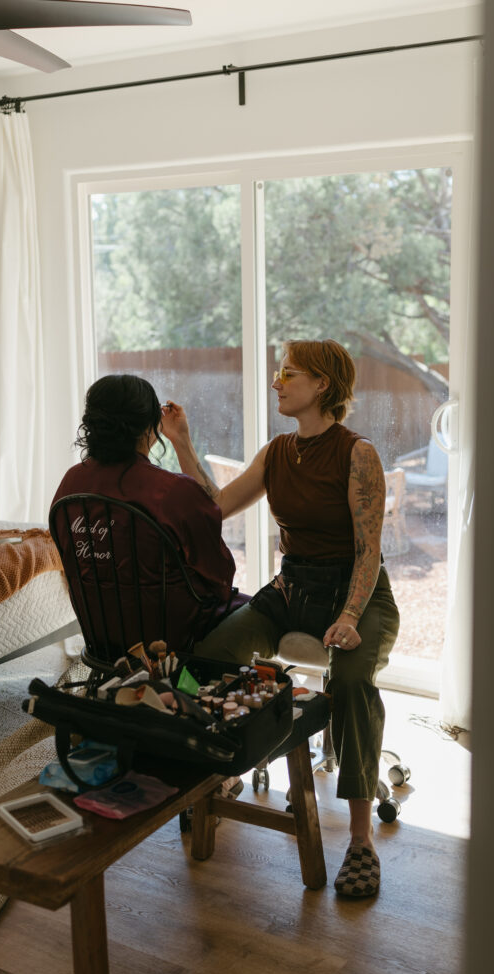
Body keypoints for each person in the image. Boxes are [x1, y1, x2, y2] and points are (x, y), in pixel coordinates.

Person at [160, 340, 400, 898]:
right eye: (278, 373)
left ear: (322, 384)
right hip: (293, 589)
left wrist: (349, 616)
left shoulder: (357, 454)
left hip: (358, 594)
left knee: (351, 682)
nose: (276, 382)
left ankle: (360, 840)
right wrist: (183, 444)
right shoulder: (276, 453)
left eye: (288, 374)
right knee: (205, 659)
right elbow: (215, 507)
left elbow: (369, 551)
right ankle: (222, 773)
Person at [51, 374, 246, 657]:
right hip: (169, 640)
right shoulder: (172, 491)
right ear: (149, 427)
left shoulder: (71, 484)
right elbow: (220, 576)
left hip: (101, 635)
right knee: (260, 609)